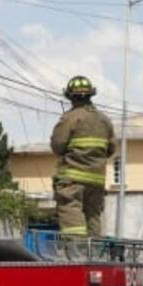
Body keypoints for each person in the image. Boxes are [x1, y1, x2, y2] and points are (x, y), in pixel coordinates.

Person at [50, 75, 115, 239]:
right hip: (97, 180)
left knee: (71, 213)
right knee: (93, 217)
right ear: (90, 95)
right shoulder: (104, 120)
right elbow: (111, 148)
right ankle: (95, 253)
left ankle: (77, 251)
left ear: (70, 96)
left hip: (72, 178)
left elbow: (57, 146)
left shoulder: (70, 118)